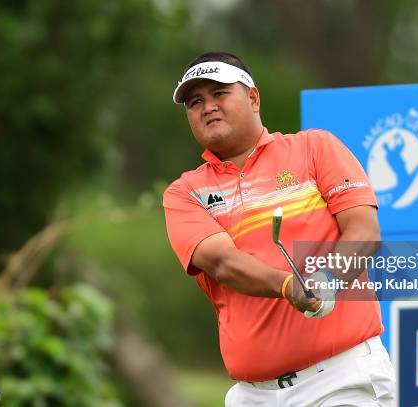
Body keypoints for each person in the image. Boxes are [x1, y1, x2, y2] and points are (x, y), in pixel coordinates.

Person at [163, 51, 396, 406]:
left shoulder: (315, 148)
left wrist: (328, 280)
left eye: (220, 93)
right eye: (196, 102)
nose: (207, 106)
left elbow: (364, 231)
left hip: (341, 378)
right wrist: (290, 286)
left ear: (253, 98)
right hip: (253, 395)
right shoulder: (185, 192)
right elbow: (223, 263)